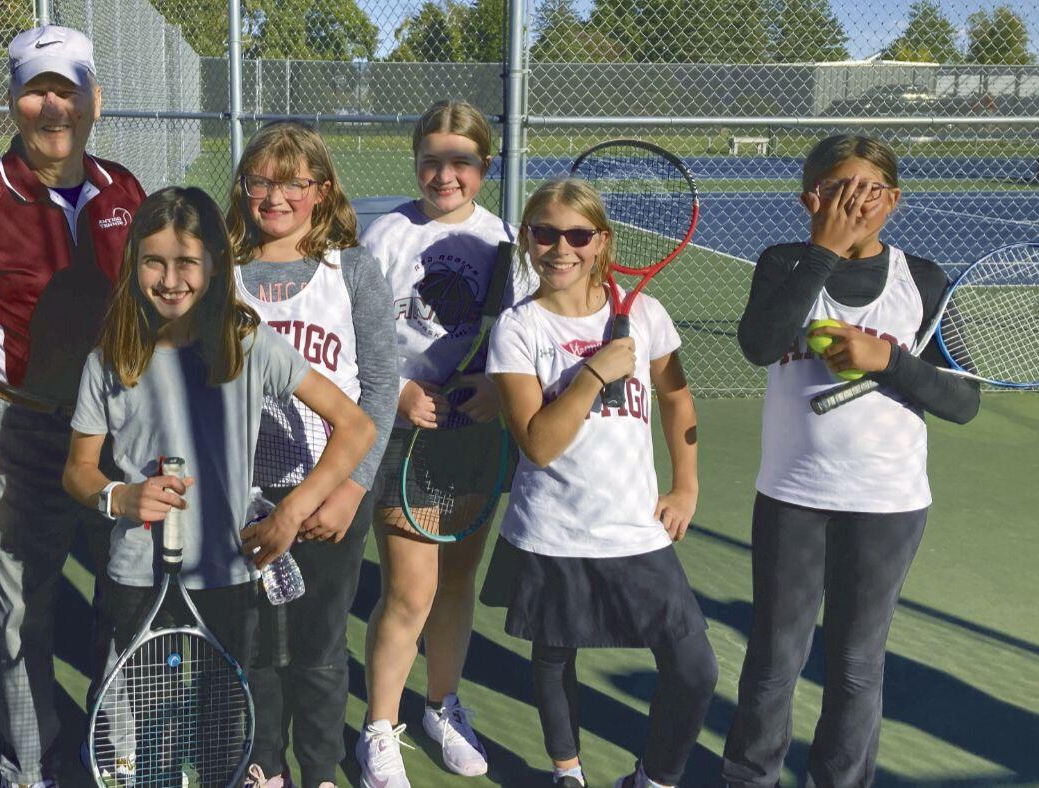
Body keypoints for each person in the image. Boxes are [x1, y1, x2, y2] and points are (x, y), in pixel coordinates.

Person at [61, 186, 375, 784]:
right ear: (133, 265)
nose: (170, 279)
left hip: (227, 577)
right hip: (138, 577)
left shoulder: (248, 344)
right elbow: (78, 469)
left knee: (220, 733)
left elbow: (356, 427)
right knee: (146, 737)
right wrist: (120, 497)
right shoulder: (109, 359)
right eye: (154, 262)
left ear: (214, 264)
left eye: (187, 262)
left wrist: (291, 513)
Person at [0, 24, 147, 788]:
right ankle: (29, 768)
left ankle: (114, 752)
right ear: (13, 101)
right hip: (23, 430)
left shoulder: (126, 191)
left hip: (120, 431)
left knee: (129, 596)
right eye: (36, 90)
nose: (53, 107)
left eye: (67, 89)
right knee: (21, 613)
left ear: (94, 101)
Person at [722, 134, 980, 787]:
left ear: (893, 201)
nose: (854, 204)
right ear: (809, 197)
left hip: (887, 505)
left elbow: (964, 401)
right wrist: (824, 251)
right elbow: (759, 344)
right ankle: (749, 776)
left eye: (870, 191)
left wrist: (887, 359)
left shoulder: (922, 281)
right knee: (775, 657)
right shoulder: (785, 263)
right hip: (792, 496)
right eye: (838, 189)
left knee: (856, 664)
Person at [486, 179, 715, 787]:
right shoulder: (517, 329)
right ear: (527, 239)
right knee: (554, 656)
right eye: (545, 233)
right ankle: (568, 771)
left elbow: (677, 398)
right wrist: (592, 374)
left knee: (695, 670)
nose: (561, 248)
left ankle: (654, 780)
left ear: (602, 241)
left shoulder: (645, 314)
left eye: (577, 235)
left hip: (634, 529)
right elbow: (538, 444)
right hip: (552, 529)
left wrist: (686, 486)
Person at [223, 121, 397, 788]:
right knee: (253, 644)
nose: (275, 197)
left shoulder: (350, 269)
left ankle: (321, 768)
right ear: (242, 187)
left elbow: (381, 388)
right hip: (246, 495)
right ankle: (264, 764)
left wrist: (352, 488)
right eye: (260, 181)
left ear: (322, 191)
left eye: (294, 183)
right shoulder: (223, 273)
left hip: (328, 493)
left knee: (319, 647)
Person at [356, 99, 523, 785]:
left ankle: (441, 706)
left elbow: (522, 337)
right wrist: (398, 391)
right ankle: (378, 728)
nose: (445, 175)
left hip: (475, 437)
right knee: (409, 591)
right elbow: (356, 334)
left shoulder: (505, 240)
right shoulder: (386, 236)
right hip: (402, 436)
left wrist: (498, 389)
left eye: (462, 161)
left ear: (486, 165)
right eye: (432, 160)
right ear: (415, 161)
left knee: (456, 581)